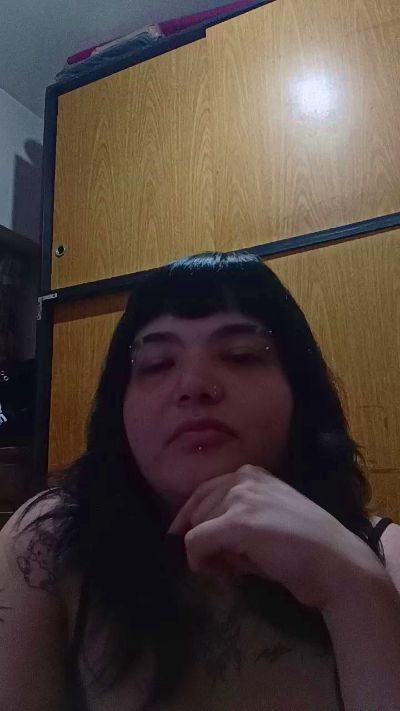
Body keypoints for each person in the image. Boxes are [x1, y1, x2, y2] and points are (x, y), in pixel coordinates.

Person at [0, 251, 399, 711]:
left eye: (240, 355)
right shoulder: (48, 546)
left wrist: (354, 589)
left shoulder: (382, 559)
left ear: (299, 391)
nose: (193, 384)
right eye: (156, 363)